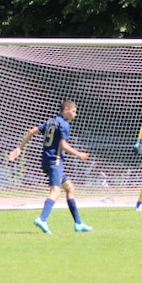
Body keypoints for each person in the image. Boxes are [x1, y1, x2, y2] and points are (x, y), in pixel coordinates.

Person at [8, 100, 92, 234]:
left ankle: (78, 223)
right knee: (55, 191)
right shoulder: (64, 124)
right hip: (55, 162)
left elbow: (31, 131)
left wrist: (19, 148)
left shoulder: (50, 121)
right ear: (66, 110)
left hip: (46, 161)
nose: (75, 115)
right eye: (74, 111)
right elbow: (63, 145)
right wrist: (79, 154)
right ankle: (42, 219)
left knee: (70, 188)